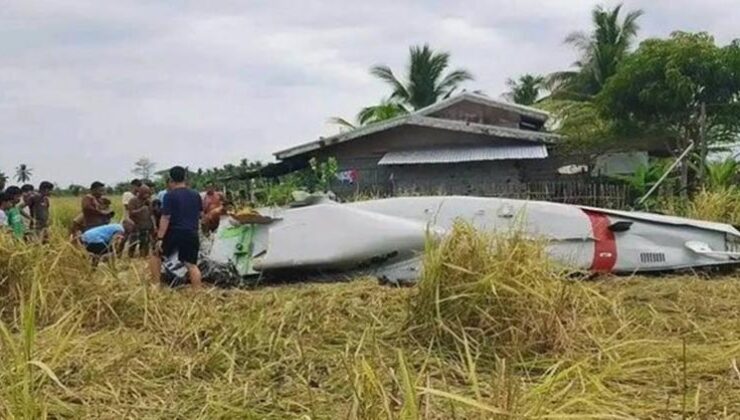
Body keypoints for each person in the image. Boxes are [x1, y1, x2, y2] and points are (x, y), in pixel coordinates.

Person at [150, 166, 203, 288]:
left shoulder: (169, 195)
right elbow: (200, 214)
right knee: (191, 265)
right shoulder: (196, 195)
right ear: (185, 178)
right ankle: (198, 293)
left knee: (155, 254)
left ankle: (155, 286)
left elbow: (166, 217)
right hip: (192, 232)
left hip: (175, 232)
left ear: (171, 179)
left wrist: (160, 238)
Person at [127, 185, 155, 257]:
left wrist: (154, 226)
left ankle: (143, 258)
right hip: (136, 226)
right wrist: (141, 209)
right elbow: (131, 213)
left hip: (146, 226)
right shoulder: (133, 200)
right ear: (140, 192)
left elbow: (151, 214)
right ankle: (130, 257)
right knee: (133, 243)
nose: (147, 195)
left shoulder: (148, 201)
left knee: (145, 243)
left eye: (148, 193)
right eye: (145, 193)